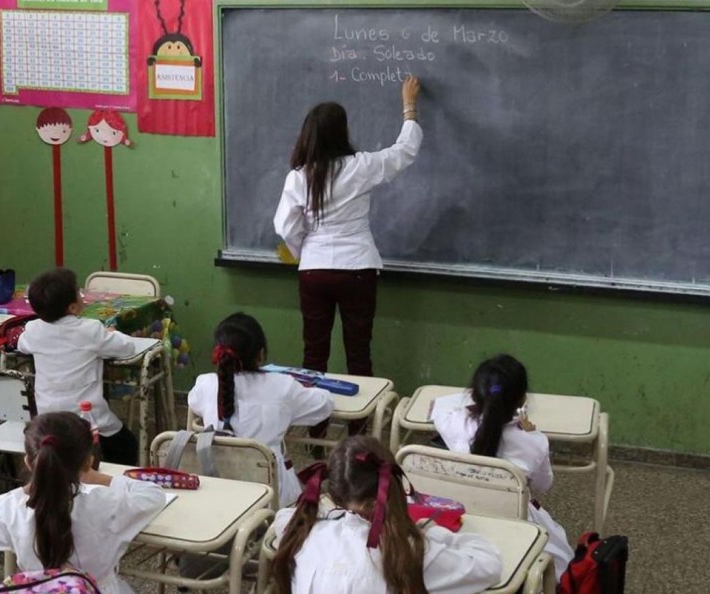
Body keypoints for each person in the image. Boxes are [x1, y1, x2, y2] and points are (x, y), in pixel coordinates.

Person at [273, 76, 423, 438]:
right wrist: (409, 108)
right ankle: (358, 432)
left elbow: (284, 226)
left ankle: (315, 432)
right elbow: (404, 152)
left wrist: (304, 251)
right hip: (358, 268)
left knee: (314, 356)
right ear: (343, 132)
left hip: (314, 271)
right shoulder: (361, 166)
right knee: (359, 354)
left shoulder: (299, 177)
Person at [272, 435, 502, 594]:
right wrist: (435, 532)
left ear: (332, 490)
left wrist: (325, 510)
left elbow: (283, 516)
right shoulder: (406, 550)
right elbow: (489, 564)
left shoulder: (302, 533)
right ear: (392, 487)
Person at [0, 412, 164, 594]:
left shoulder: (13, 510)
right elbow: (153, 495)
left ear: (29, 462)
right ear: (88, 462)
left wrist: (30, 487)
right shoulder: (107, 504)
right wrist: (98, 478)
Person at [431, 354, 573, 577]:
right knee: (561, 552)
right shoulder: (533, 442)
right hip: (514, 522)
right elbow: (542, 487)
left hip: (459, 517)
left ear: (473, 395)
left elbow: (437, 410)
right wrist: (532, 432)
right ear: (522, 399)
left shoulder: (454, 424)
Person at [187, 312, 333, 506]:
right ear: (261, 354)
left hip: (219, 492)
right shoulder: (283, 387)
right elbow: (324, 405)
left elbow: (193, 402)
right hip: (273, 498)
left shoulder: (206, 384)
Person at [17, 268, 144, 464]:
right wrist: (111, 333)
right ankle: (114, 481)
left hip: (47, 417)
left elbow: (21, 345)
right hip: (88, 416)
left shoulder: (33, 330)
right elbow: (127, 348)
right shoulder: (90, 329)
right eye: (79, 292)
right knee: (126, 444)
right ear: (73, 307)